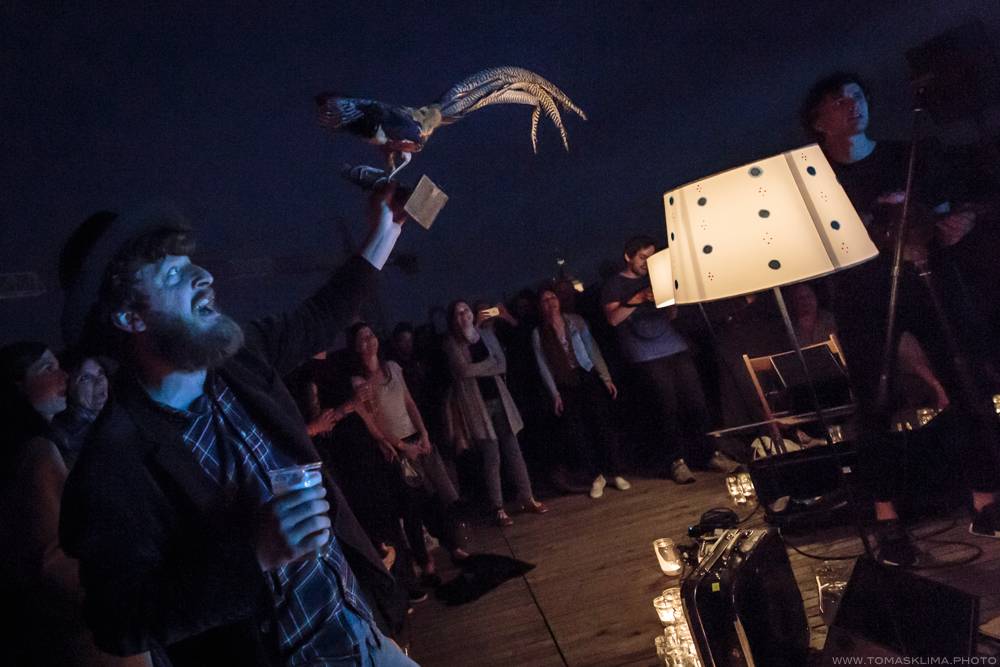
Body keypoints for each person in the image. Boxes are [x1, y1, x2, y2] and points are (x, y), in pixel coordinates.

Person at [58, 188, 415, 665]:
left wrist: (383, 231)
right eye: (173, 273)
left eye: (190, 262)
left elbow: (322, 313)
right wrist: (253, 556)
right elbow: (118, 621)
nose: (203, 275)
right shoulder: (116, 460)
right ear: (128, 316)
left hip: (363, 636)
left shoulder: (241, 359)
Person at [802, 72, 999, 565]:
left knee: (967, 382)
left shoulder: (905, 156)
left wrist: (959, 220)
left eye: (859, 97)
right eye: (839, 101)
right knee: (875, 404)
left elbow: (963, 199)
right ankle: (887, 520)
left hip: (930, 281)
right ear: (818, 121)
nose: (854, 106)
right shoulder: (813, 182)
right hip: (864, 297)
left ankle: (986, 500)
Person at [0, 342, 151, 666]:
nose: (63, 377)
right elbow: (55, 562)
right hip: (94, 634)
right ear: (16, 385)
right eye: (47, 368)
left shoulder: (47, 446)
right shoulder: (34, 453)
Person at [601, 235, 739, 483]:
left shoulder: (656, 278)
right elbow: (613, 319)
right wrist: (639, 298)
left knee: (696, 403)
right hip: (644, 353)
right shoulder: (615, 285)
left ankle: (709, 454)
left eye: (651, 257)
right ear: (628, 256)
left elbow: (671, 314)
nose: (646, 262)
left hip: (673, 344)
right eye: (642, 257)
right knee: (667, 407)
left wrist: (670, 300)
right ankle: (676, 462)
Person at [349, 322, 467, 585]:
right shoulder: (358, 382)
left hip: (416, 436)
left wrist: (423, 432)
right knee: (413, 506)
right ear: (356, 346)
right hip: (396, 447)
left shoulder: (392, 368)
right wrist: (402, 447)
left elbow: (409, 402)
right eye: (362, 337)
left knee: (438, 496)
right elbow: (372, 423)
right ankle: (426, 563)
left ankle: (454, 546)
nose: (369, 340)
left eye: (371, 334)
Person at [443, 300, 548, 527]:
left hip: (499, 400)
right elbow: (462, 370)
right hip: (477, 405)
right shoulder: (452, 344)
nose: (463, 316)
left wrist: (482, 368)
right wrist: (488, 364)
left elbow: (502, 365)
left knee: (513, 449)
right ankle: (497, 507)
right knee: (492, 456)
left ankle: (527, 496)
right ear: (453, 320)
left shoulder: (486, 335)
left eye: (466, 311)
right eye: (458, 313)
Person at [532, 288, 629, 499]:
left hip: (587, 374)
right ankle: (596, 476)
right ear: (540, 306)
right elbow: (543, 365)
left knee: (602, 423)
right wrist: (554, 393)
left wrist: (605, 376)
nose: (550, 302)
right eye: (545, 300)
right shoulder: (539, 333)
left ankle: (615, 471)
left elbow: (591, 347)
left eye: (553, 297)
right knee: (579, 431)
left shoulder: (575, 320)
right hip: (565, 382)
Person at [50, 350, 111, 470]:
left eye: (100, 373)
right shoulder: (66, 439)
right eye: (85, 378)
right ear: (67, 388)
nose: (99, 381)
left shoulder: (115, 415)